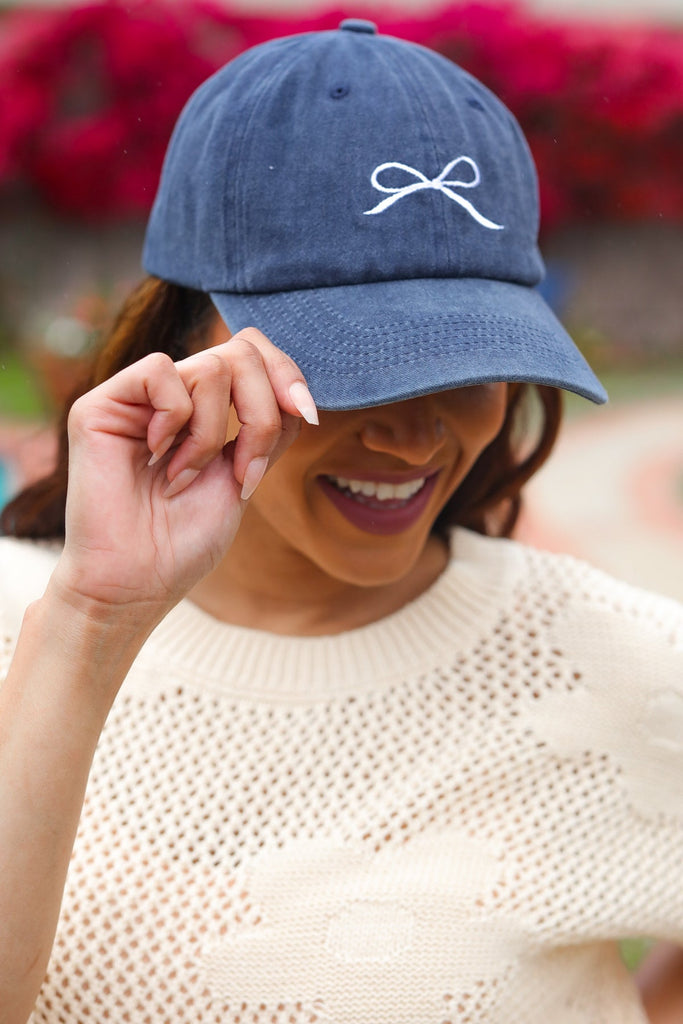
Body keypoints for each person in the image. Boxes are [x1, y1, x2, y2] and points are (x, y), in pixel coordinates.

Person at [0, 20, 681, 1024]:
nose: (413, 436)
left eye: (463, 357)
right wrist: (94, 620)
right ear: (186, 339)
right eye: (349, 362)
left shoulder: (617, 662)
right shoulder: (29, 619)